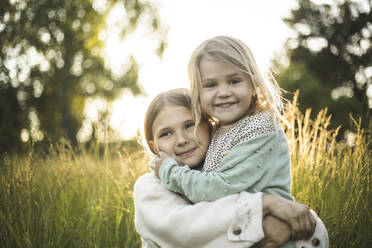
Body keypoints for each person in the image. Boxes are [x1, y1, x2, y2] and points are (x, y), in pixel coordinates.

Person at [153, 36, 329, 248]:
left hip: (272, 238)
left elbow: (220, 191)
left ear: (253, 85)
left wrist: (170, 172)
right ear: (197, 94)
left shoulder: (260, 128)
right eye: (210, 85)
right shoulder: (221, 129)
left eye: (234, 81)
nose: (224, 92)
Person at [134, 88, 321, 248]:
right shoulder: (149, 188)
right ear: (154, 146)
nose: (181, 140)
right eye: (166, 134)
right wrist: (265, 208)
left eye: (190, 125)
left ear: (209, 125)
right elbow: (187, 230)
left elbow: (302, 219)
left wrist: (287, 223)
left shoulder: (225, 173)